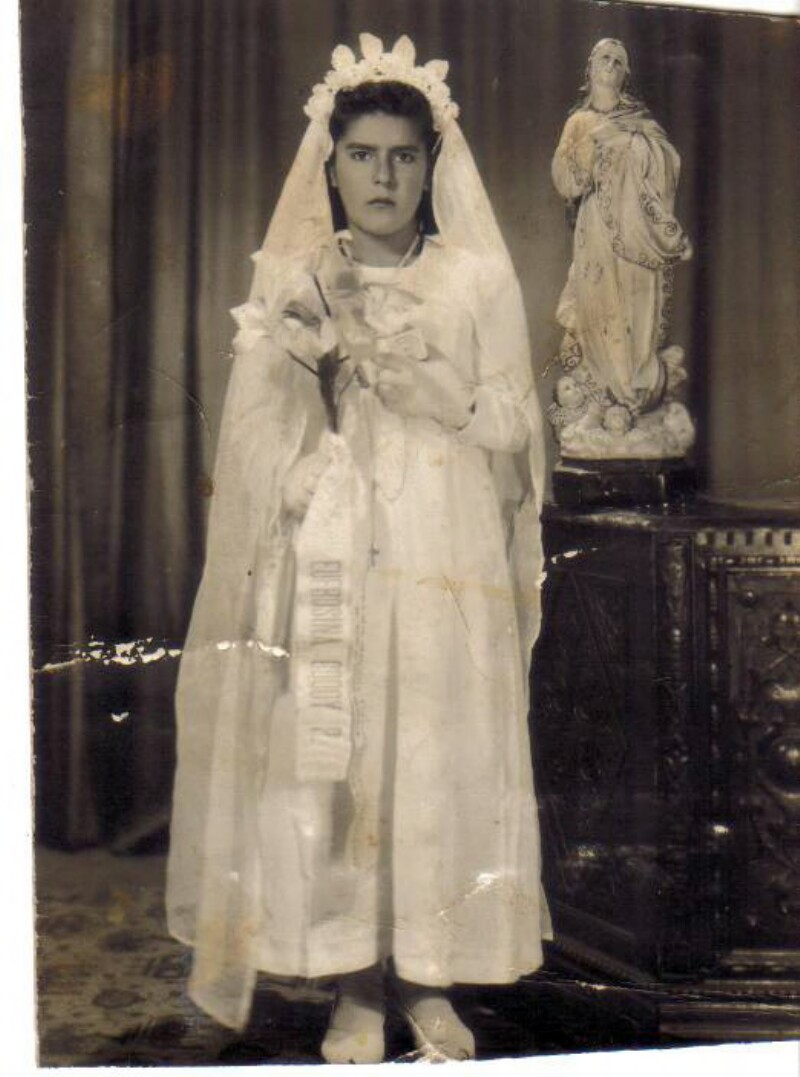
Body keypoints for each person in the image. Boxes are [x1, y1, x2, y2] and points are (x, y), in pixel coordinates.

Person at [166, 33, 549, 1064]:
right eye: (363, 156)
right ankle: (355, 985)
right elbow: (252, 437)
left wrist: (440, 391)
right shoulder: (302, 278)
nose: (383, 177)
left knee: (433, 751)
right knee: (340, 763)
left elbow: (515, 422)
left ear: (431, 165)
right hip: (335, 548)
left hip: (443, 544)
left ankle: (430, 978)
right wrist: (299, 476)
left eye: (403, 157)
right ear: (330, 165)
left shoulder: (473, 278)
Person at [551, 38, 692, 419]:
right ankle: (606, 392)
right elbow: (564, 178)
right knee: (598, 300)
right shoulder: (578, 122)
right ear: (590, 68)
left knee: (636, 301)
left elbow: (668, 162)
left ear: (626, 73)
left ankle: (635, 389)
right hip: (597, 223)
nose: (611, 64)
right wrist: (590, 159)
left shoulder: (640, 123)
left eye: (618, 60)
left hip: (638, 228)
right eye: (604, 57)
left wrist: (631, 148)